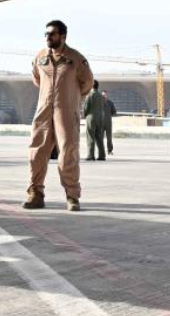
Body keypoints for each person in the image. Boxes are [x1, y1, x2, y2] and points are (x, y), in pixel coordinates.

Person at [25, 19, 94, 212]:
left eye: (52, 34)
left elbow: (87, 83)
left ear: (63, 36)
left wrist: (70, 97)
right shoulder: (40, 57)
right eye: (46, 34)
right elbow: (37, 79)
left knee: (68, 154)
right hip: (43, 111)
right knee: (36, 152)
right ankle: (35, 194)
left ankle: (72, 196)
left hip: (66, 111)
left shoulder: (75, 59)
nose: (48, 37)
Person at [83, 86, 108, 161]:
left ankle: (91, 155)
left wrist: (84, 115)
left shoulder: (90, 95)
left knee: (90, 136)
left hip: (91, 118)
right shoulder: (102, 96)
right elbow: (104, 106)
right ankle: (102, 155)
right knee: (99, 137)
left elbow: (86, 107)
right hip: (100, 118)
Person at [102, 89, 116, 156]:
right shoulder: (98, 103)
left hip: (108, 123)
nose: (104, 96)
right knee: (100, 138)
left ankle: (109, 150)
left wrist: (109, 115)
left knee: (109, 138)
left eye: (105, 95)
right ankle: (101, 151)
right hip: (100, 123)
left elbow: (114, 112)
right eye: (103, 95)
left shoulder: (110, 103)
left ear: (107, 95)